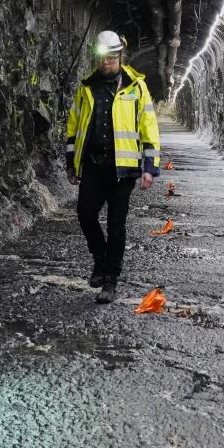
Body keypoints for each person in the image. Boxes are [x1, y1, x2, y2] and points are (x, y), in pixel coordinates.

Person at [64, 30, 162, 304]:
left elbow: (148, 127)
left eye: (111, 58)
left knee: (117, 225)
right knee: (85, 214)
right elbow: (74, 125)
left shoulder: (136, 87)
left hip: (124, 168)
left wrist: (149, 166)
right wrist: (72, 162)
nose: (106, 63)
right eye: (101, 58)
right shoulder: (87, 87)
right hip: (94, 165)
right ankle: (99, 257)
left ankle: (110, 278)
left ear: (120, 56)